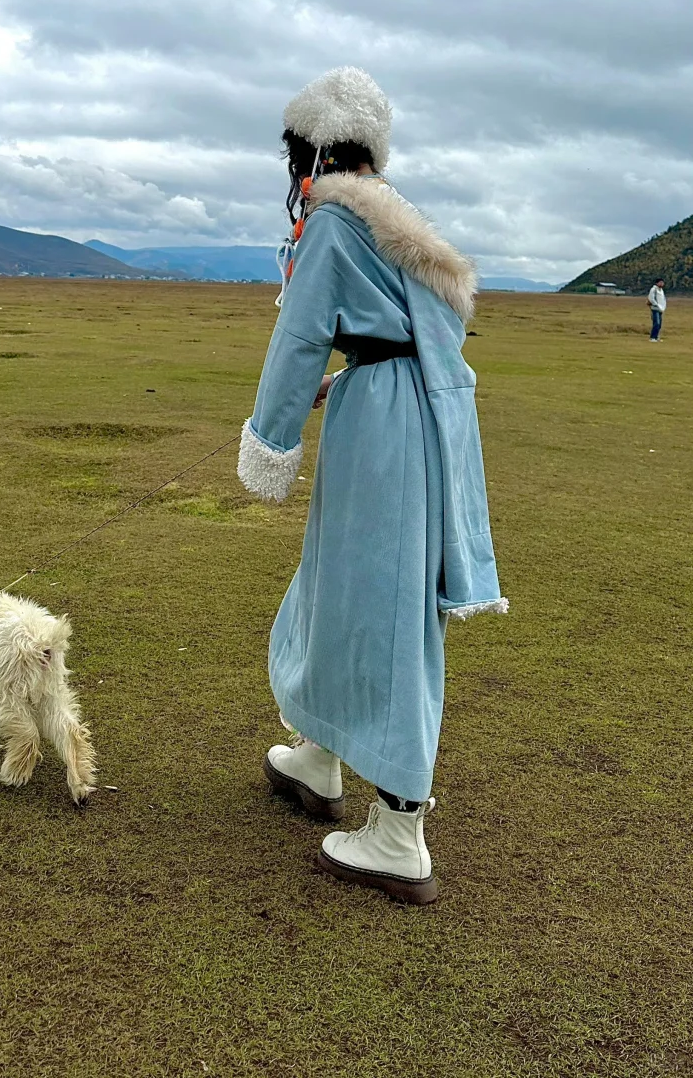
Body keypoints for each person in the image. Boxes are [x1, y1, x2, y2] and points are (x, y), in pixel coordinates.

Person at [237, 66, 505, 905]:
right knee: (337, 585)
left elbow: (301, 331)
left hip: (385, 433)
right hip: (409, 413)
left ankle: (399, 833)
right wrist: (352, 375)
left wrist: (270, 439)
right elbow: (404, 337)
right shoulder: (398, 226)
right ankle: (320, 756)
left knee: (384, 605)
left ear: (312, 149)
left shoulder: (333, 222)